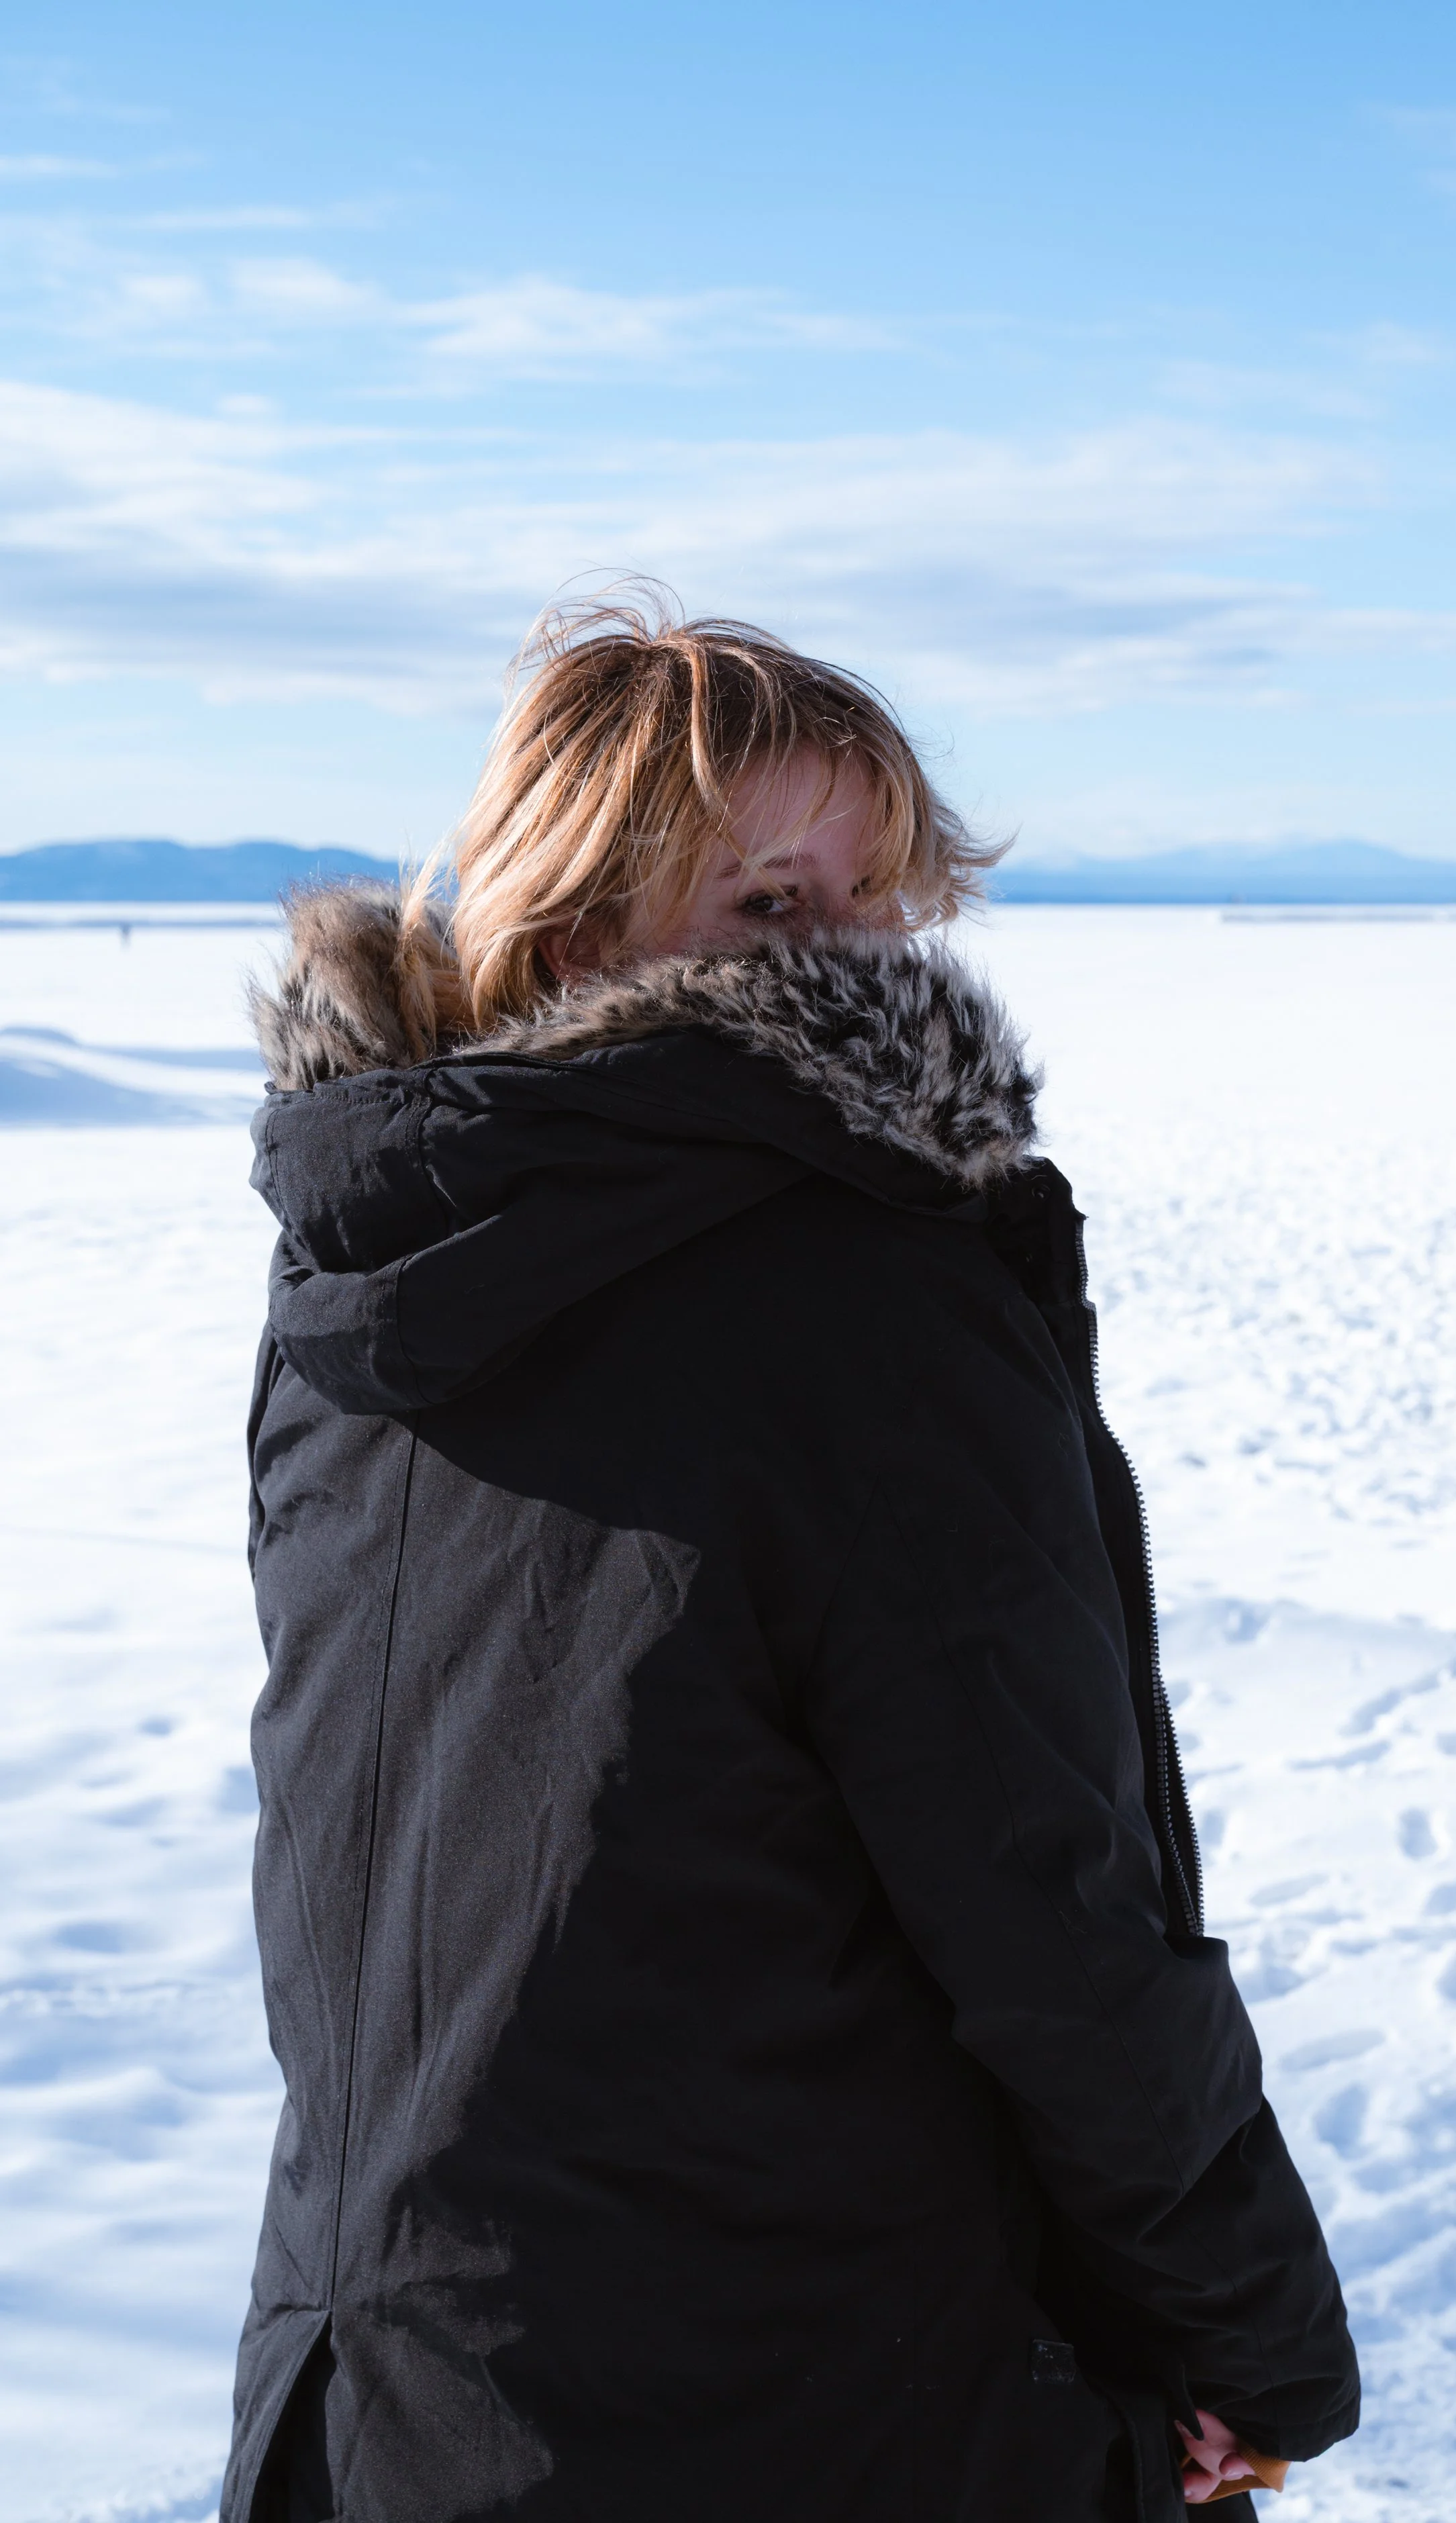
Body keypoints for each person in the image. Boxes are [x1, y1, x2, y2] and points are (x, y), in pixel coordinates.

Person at [225, 594, 1357, 2523]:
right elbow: (1046, 1910)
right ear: (574, 936)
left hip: (389, 2399)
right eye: (768, 905)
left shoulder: (360, 1276)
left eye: (877, 899)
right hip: (816, 2395)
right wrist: (1252, 2343)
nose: (852, 959)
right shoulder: (862, 1299)